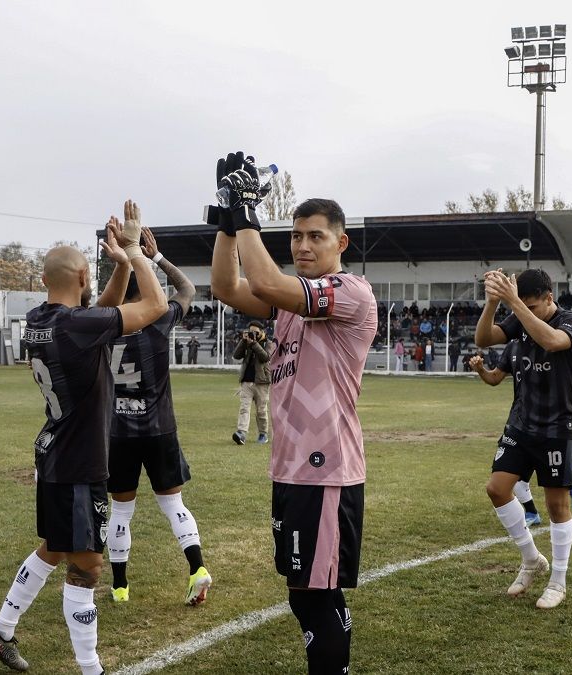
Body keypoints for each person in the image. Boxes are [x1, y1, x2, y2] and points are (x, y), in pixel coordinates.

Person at [0, 202, 167, 674]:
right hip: (79, 461)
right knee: (86, 568)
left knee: (56, 548)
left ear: (46, 280)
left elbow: (102, 313)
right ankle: (91, 667)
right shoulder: (79, 325)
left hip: (55, 452)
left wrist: (120, 265)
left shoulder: (43, 321)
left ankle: (1, 632)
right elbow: (155, 306)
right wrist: (136, 251)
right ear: (83, 275)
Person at [209, 152, 375, 674]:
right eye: (297, 236)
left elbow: (267, 284)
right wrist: (227, 218)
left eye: (315, 236)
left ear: (340, 243)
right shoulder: (289, 301)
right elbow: (227, 287)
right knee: (302, 593)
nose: (303, 245)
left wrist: (247, 214)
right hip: (290, 468)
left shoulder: (350, 292)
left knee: (318, 596)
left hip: (327, 472)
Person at [99, 225, 212, 607]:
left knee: (121, 511)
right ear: (145, 293)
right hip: (160, 429)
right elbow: (187, 290)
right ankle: (196, 568)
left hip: (118, 432)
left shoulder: (102, 326)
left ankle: (119, 586)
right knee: (173, 505)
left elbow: (100, 304)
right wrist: (153, 256)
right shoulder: (158, 322)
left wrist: (125, 262)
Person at [474, 268, 572, 610]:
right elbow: (483, 338)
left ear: (549, 298)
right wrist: (494, 303)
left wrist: (513, 303)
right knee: (496, 489)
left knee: (557, 507)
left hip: (558, 429)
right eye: (522, 307)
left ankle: (558, 581)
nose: (526, 313)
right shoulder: (518, 319)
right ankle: (532, 559)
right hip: (520, 426)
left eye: (534, 306)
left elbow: (553, 341)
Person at [467, 349, 544, 528]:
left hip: (548, 426)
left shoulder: (548, 341)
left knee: (551, 481)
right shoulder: (514, 346)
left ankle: (569, 480)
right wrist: (481, 369)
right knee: (509, 478)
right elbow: (494, 378)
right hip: (517, 424)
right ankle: (532, 512)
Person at [232, 321, 270, 445]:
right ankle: (241, 433)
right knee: (244, 408)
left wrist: (254, 344)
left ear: (262, 332)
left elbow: (265, 357)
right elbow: (237, 355)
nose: (253, 334)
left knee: (261, 411)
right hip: (246, 381)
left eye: (256, 332)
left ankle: (263, 434)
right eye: (250, 332)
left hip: (262, 382)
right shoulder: (246, 343)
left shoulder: (268, 343)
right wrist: (243, 342)